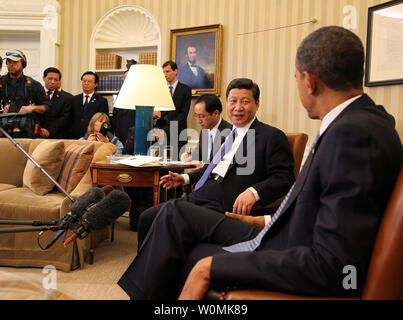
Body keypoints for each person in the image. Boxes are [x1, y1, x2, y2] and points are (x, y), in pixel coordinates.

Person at [117, 26, 403, 300]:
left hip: (283, 244)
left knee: (180, 226)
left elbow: (337, 264)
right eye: (233, 101)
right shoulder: (364, 122)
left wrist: (211, 266)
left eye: (295, 78)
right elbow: (323, 209)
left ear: (309, 80)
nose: (238, 107)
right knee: (171, 217)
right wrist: (264, 219)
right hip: (271, 225)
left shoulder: (352, 134)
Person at [134, 77, 295, 248]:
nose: (238, 107)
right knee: (147, 218)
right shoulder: (226, 135)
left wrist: (253, 192)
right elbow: (212, 166)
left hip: (225, 202)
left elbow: (284, 178)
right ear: (227, 104)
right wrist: (185, 179)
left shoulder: (270, 136)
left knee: (170, 215)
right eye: (233, 101)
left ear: (257, 104)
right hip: (202, 194)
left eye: (245, 101)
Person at [0, 50, 51, 138]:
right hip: (3, 131)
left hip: (26, 131)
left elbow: (46, 107)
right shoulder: (1, 83)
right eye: (9, 62)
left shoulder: (33, 85)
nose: (11, 64)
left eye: (15, 62)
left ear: (23, 64)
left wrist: (32, 108)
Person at [180, 94, 232, 169]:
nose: (198, 121)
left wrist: (203, 165)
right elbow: (199, 155)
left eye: (202, 116)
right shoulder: (204, 131)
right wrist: (189, 156)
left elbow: (226, 164)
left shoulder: (229, 132)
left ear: (215, 113)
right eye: (196, 116)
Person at [161, 61, 192, 159]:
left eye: (168, 71)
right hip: (163, 136)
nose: (165, 75)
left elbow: (183, 115)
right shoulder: (162, 90)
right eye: (164, 72)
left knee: (177, 167)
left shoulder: (185, 90)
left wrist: (168, 129)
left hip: (179, 133)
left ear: (175, 71)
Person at [69, 71, 109, 139]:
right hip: (74, 136)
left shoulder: (101, 101)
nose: (86, 83)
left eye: (89, 81)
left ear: (95, 84)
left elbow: (104, 121)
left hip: (92, 136)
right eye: (84, 81)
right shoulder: (74, 99)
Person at [40, 67, 72, 139]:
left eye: (56, 80)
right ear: (43, 78)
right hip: (37, 134)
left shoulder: (65, 98)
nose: (53, 82)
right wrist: (39, 129)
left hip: (56, 136)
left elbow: (64, 118)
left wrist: (49, 131)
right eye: (50, 79)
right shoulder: (37, 94)